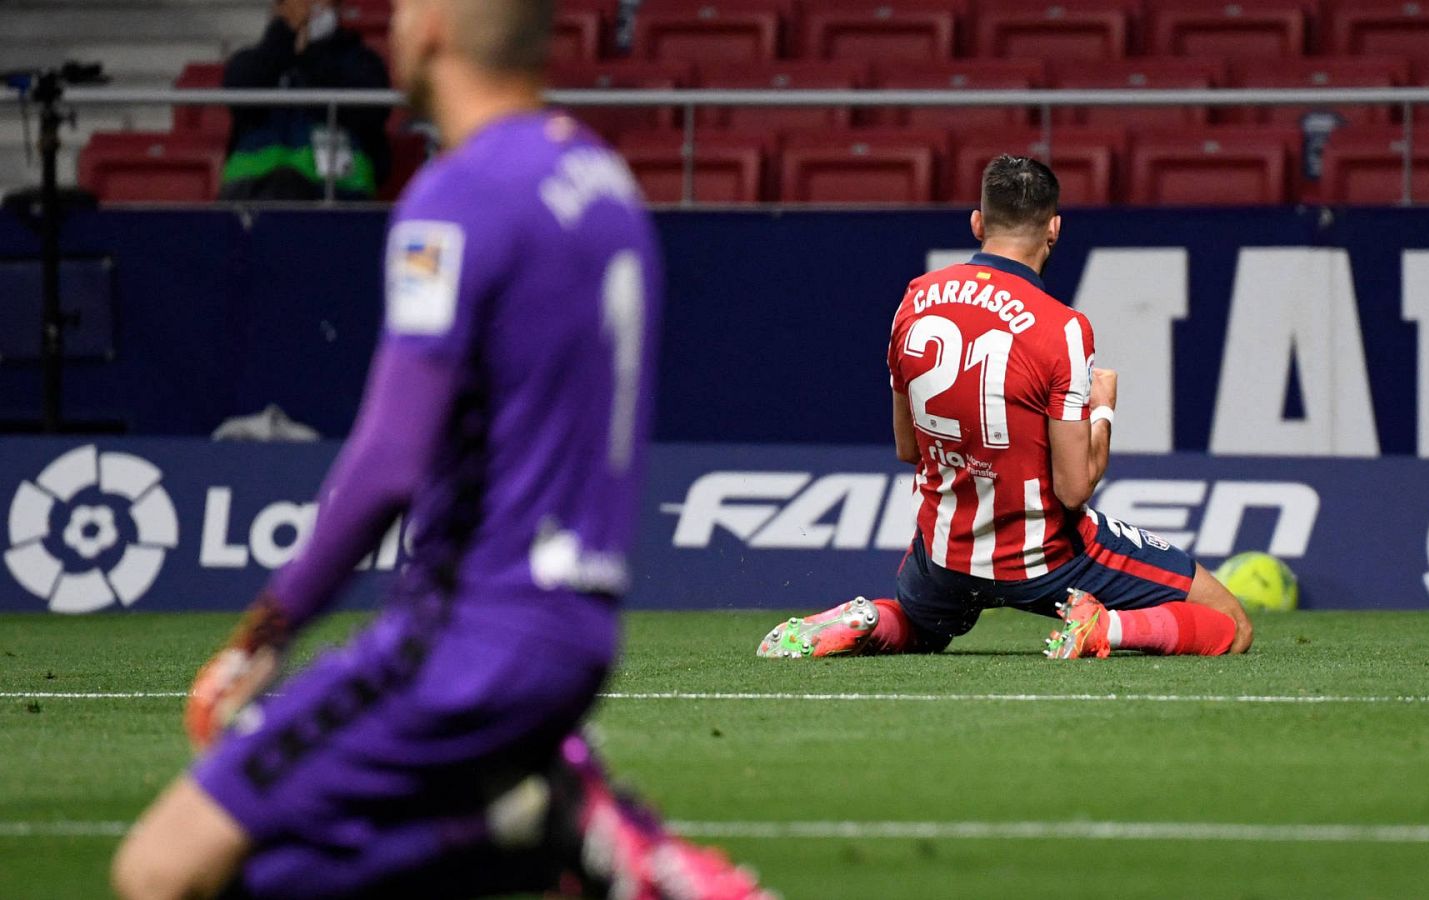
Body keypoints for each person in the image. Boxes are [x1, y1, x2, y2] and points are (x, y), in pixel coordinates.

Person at [112, 1, 769, 898]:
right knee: (263, 869)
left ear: (430, 35)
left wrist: (268, 630)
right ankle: (530, 829)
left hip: (465, 635)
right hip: (577, 628)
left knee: (156, 871)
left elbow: (391, 456)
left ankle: (545, 829)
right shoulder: (605, 185)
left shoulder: (459, 193)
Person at [758, 156, 1254, 662]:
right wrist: (1102, 412)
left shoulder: (916, 299)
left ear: (978, 221)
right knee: (1231, 626)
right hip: (1046, 561)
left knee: (921, 627)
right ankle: (1105, 630)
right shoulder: (1062, 328)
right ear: (1054, 229)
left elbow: (908, 447)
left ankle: (864, 622)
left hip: (943, 556)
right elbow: (1074, 487)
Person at [220, 0, 392, 200]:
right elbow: (242, 95)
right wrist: (284, 35)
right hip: (250, 196)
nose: (307, 7)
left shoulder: (361, 62)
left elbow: (369, 114)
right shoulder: (253, 61)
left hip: (337, 194)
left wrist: (313, 51)